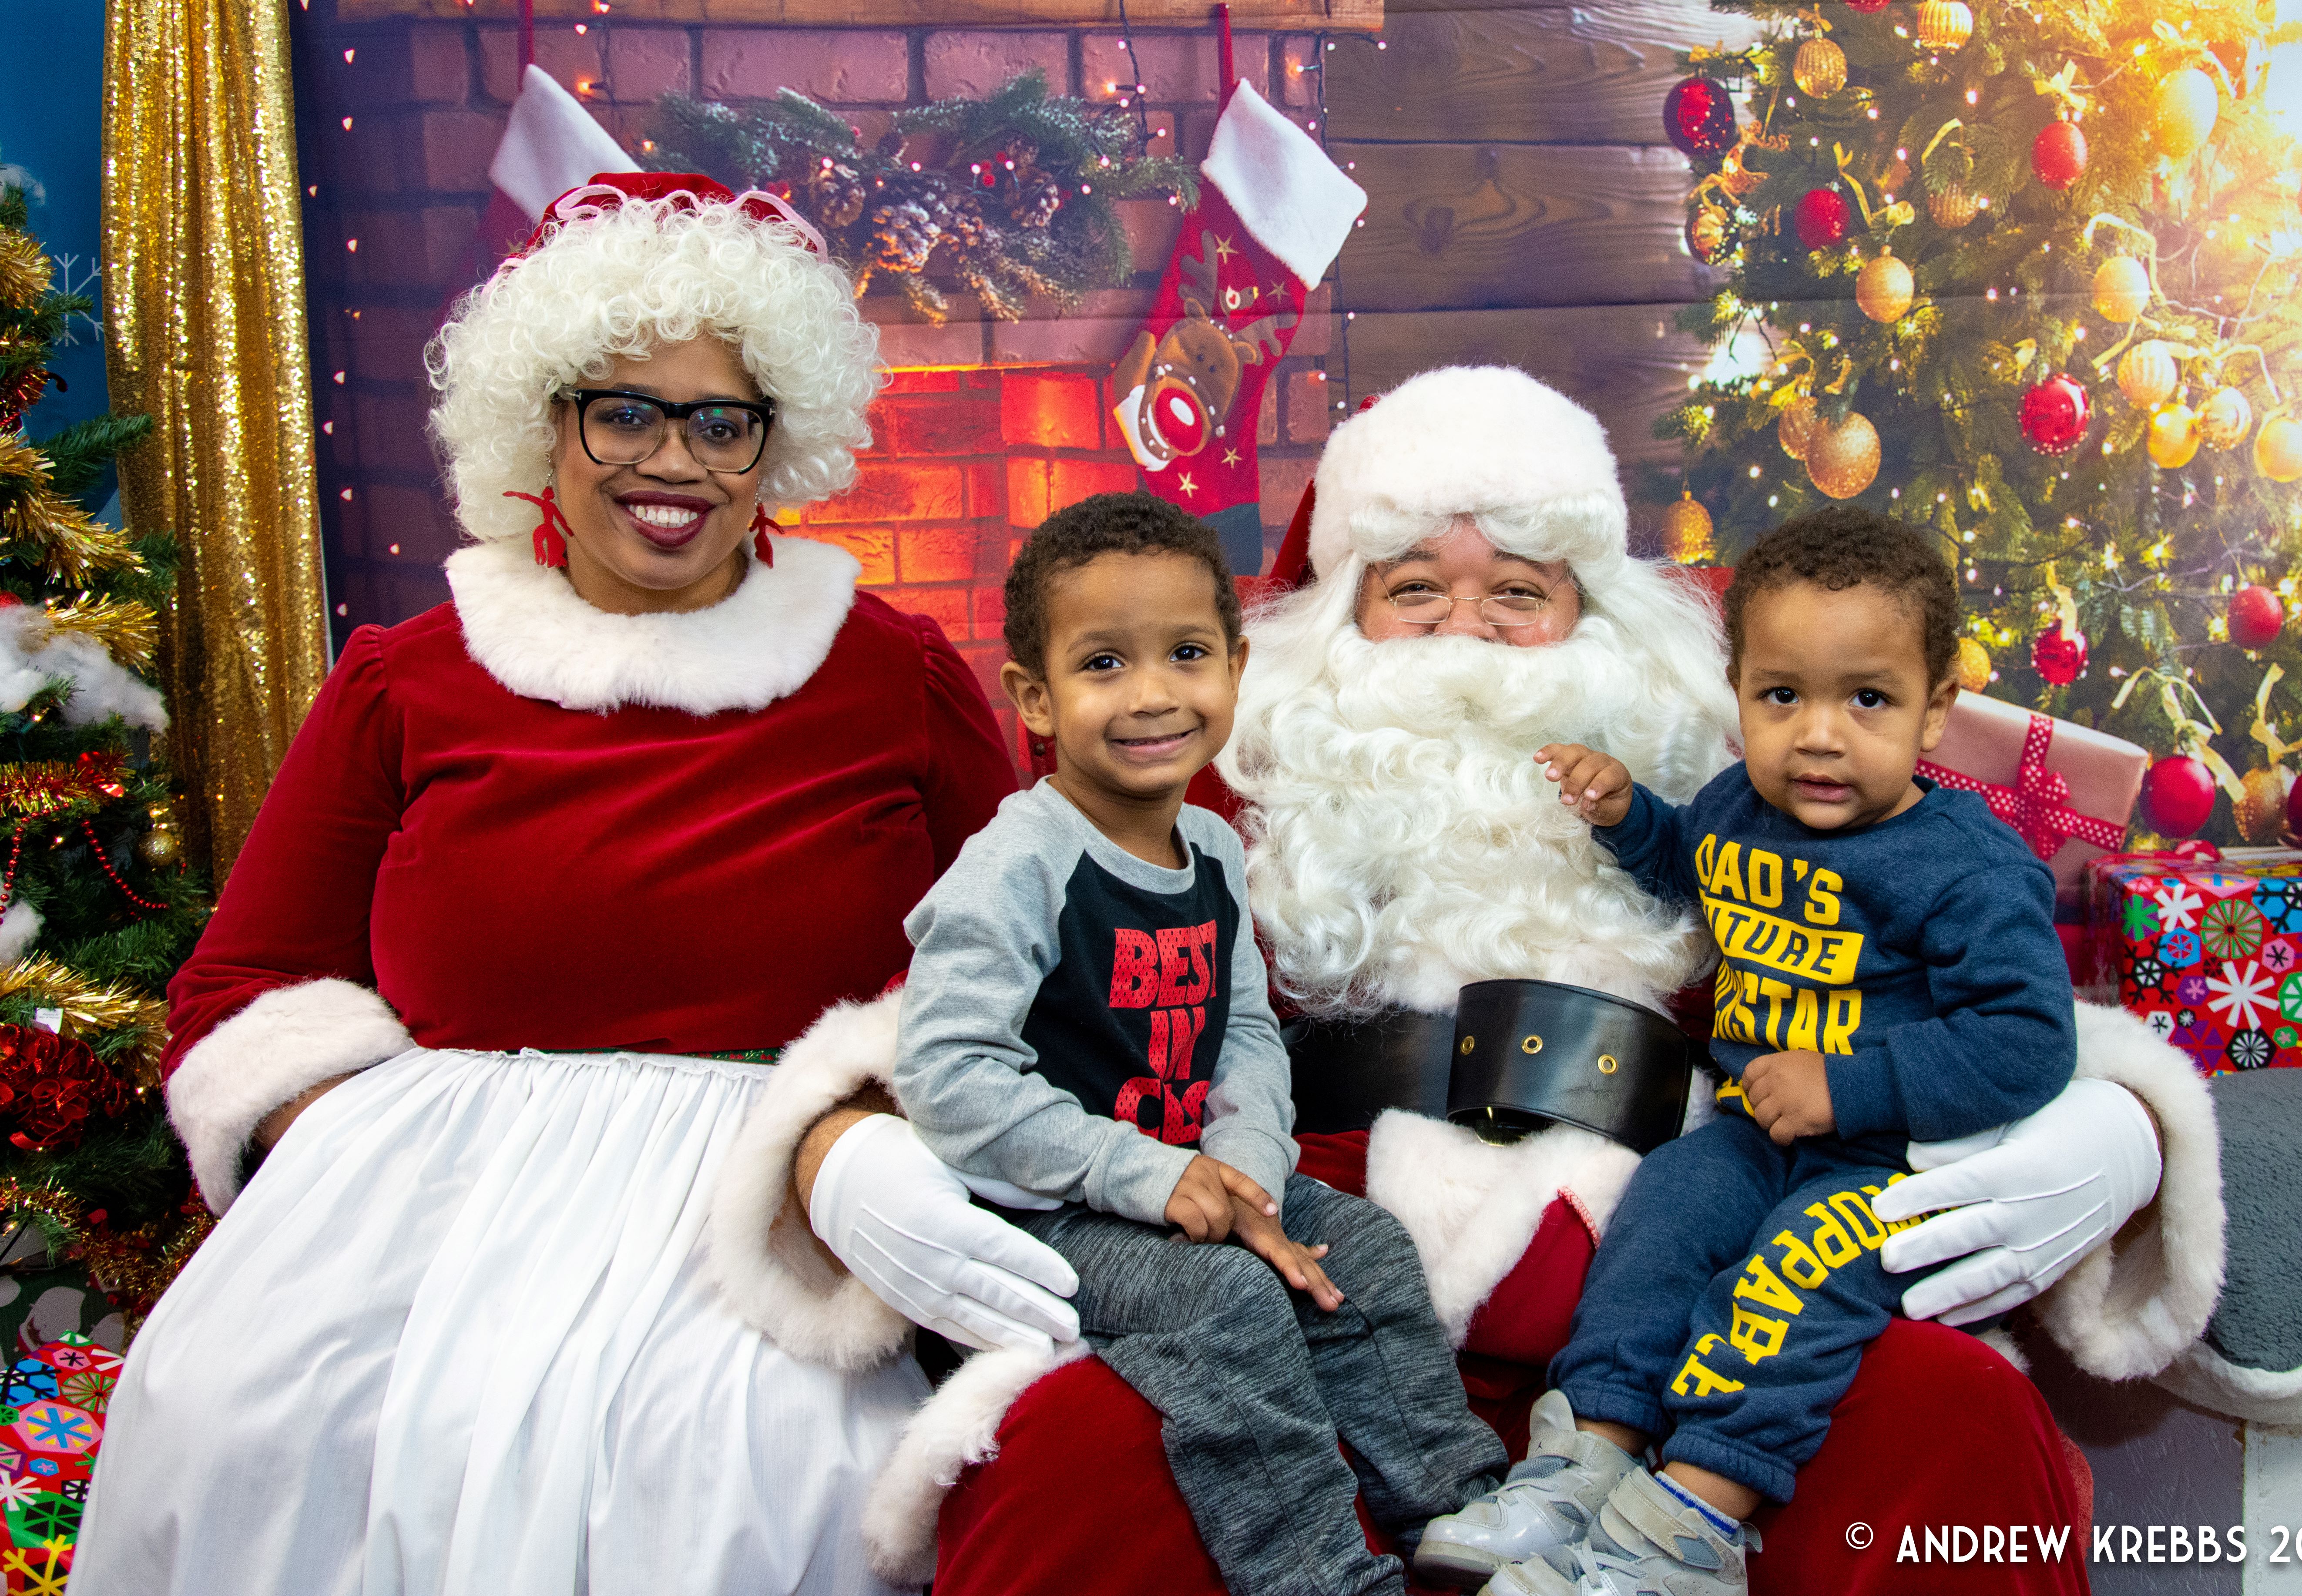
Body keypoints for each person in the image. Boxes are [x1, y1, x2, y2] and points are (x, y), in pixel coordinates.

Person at [883, 369, 2222, 1596]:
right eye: (1412, 587)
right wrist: (840, 1141)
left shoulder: (1738, 757)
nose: (1462, 629)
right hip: (1331, 1299)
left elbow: (1930, 934)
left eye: (1517, 590)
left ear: (1595, 618)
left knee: (1952, 1420)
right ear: (1331, 619)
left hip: (1700, 1287)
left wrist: (2117, 1122)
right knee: (1062, 1457)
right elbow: (987, 969)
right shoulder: (1225, 762)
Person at [72, 173, 1083, 1595]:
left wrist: (862, 1132)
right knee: (241, 1419)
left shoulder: (892, 674)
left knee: (757, 1480)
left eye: (721, 420)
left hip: (780, 1192)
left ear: (774, 446)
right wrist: (359, 1165)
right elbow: (244, 984)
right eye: (623, 409)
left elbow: (1024, 947)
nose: (671, 461)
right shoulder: (404, 678)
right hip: (439, 1194)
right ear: (542, 424)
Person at [1420, 509, 2079, 1594]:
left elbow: (2027, 1040)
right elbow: (1694, 860)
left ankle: (1689, 1528)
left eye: (1867, 699)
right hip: (1751, 1133)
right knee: (1660, 1224)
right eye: (1784, 696)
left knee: (1784, 1292)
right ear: (1741, 696)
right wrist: (1633, 815)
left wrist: (1850, 1084)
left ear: (1937, 711)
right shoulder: (1743, 805)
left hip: (1889, 1162)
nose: (1819, 734)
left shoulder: (1965, 865)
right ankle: (1586, 1461)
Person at [893, 493, 1508, 1596]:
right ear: (1034, 697)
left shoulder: (1214, 849)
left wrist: (1252, 1172)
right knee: (1221, 1302)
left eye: (1186, 655)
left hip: (1195, 1174)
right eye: (1103, 665)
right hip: (1048, 1210)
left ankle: (1462, 1515)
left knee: (1362, 1248)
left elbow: (1246, 1035)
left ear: (1234, 666)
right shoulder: (1022, 861)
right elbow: (946, 1076)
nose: (1152, 696)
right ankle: (1316, 1574)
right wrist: (1153, 1174)